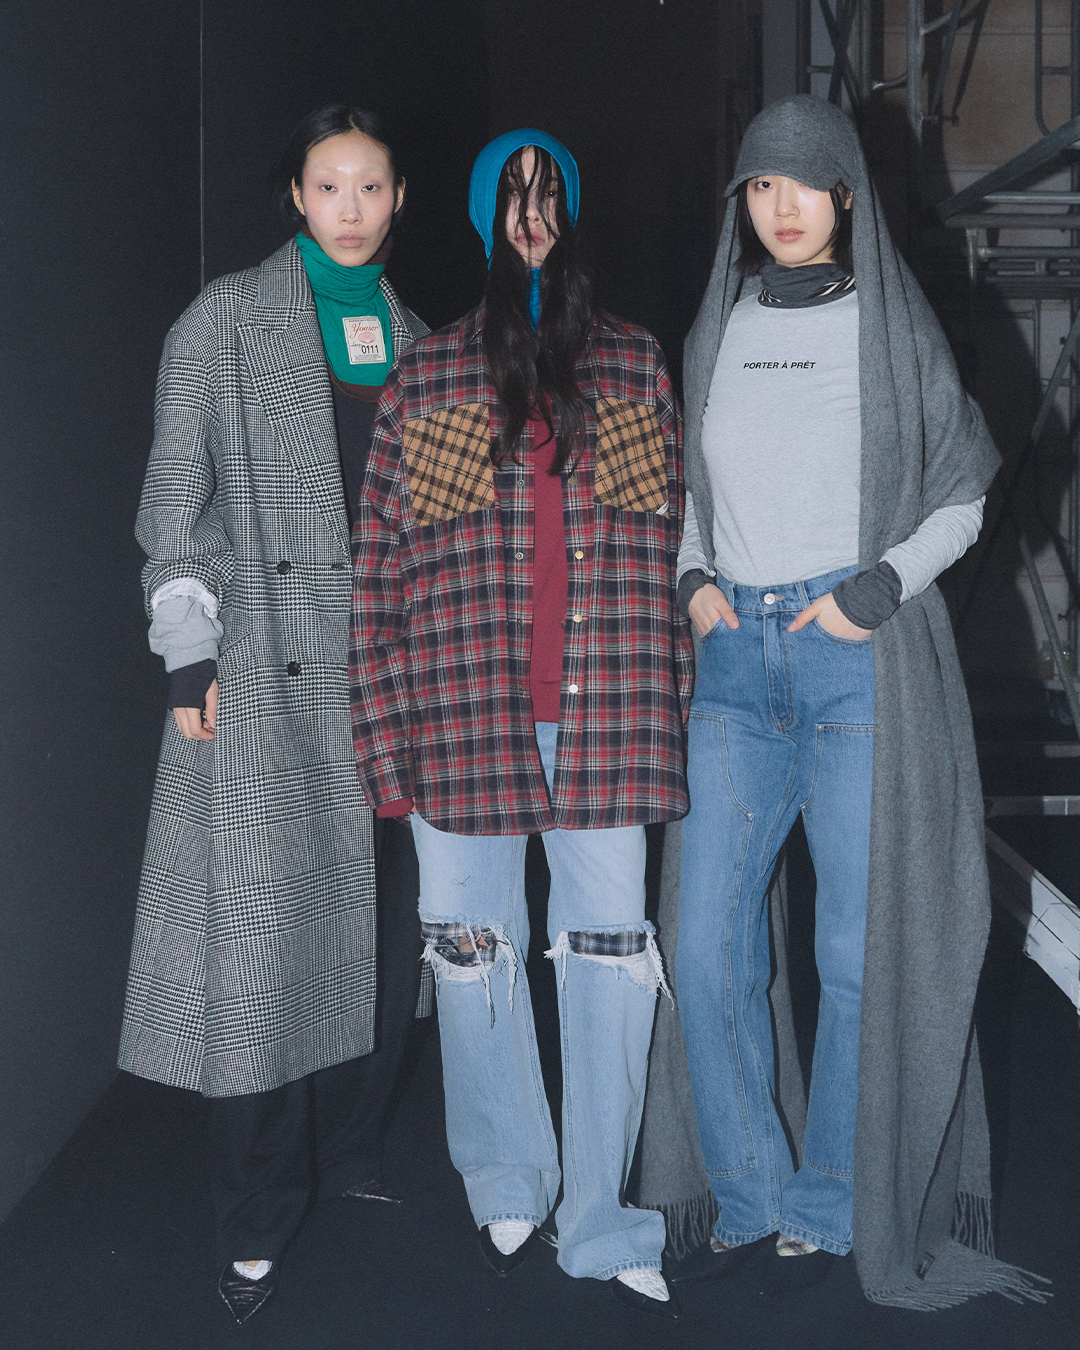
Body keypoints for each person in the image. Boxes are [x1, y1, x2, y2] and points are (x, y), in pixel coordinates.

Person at [640, 94, 1046, 1308]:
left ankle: (828, 1199)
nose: (781, 208)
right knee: (702, 944)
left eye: (803, 185)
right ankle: (749, 1188)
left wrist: (877, 592)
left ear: (847, 197)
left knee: (857, 951)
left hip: (849, 657)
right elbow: (689, 493)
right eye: (760, 188)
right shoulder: (715, 329)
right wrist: (693, 579)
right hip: (731, 660)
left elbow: (965, 491)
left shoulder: (891, 329)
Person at [348, 130, 694, 1320]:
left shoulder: (634, 365)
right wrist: (386, 743)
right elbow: (382, 574)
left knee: (611, 961)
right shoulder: (432, 376)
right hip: (464, 723)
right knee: (472, 951)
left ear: (571, 214)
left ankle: (602, 1218)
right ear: (483, 217)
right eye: (512, 197)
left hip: (607, 724)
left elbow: (658, 551)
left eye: (548, 196)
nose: (531, 216)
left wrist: (670, 712)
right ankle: (505, 1175)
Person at [118, 105, 430, 1325]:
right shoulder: (224, 319)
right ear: (295, 196)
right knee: (258, 948)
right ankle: (252, 1217)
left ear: (398, 199)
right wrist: (188, 657)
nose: (350, 207)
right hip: (258, 674)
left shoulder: (418, 338)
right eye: (327, 184)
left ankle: (347, 1150)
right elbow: (172, 506)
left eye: (371, 186)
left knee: (380, 933)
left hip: (389, 683)